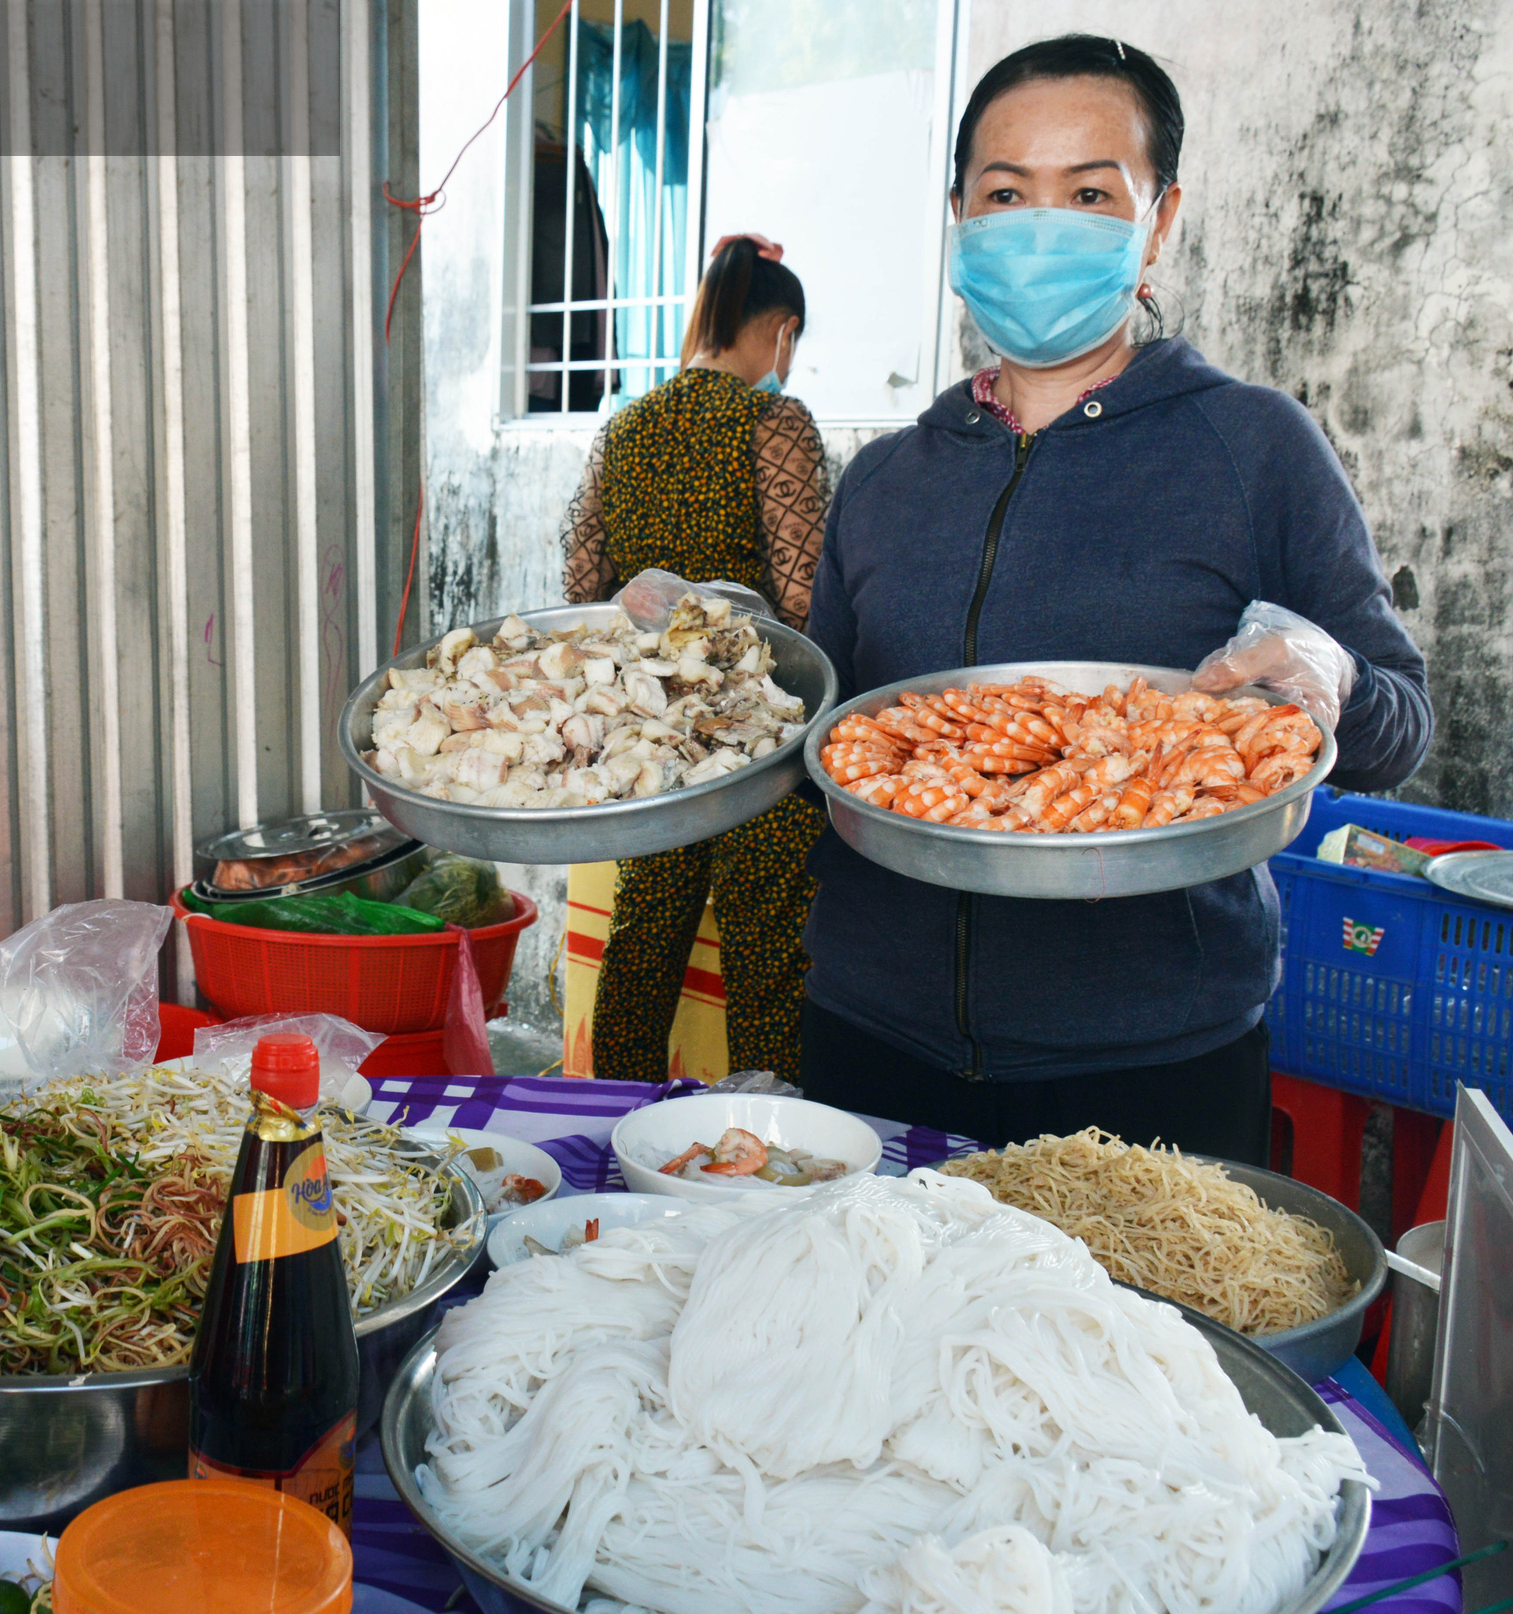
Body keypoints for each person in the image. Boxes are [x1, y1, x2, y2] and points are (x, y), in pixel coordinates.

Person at [800, 36, 1432, 1160]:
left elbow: (1397, 721)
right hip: (871, 1037)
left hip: (1148, 1067)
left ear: (1159, 219)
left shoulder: (1251, 447)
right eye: (1005, 193)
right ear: (959, 215)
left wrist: (1329, 673)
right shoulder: (886, 479)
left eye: (1089, 193)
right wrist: (710, 658)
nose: (1041, 225)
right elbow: (825, 741)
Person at [562, 234, 828, 1084]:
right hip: (755, 733)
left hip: (653, 732)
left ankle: (613, 1117)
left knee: (644, 936)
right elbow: (805, 599)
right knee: (766, 945)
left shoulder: (625, 427)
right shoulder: (773, 419)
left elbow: (580, 587)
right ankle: (765, 1139)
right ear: (781, 331)